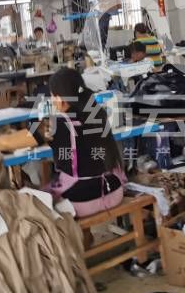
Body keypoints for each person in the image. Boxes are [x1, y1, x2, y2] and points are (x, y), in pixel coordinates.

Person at [40, 67, 124, 217]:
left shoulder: (59, 123)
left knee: (37, 202)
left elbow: (30, 139)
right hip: (114, 192)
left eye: (52, 96)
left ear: (59, 97)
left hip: (80, 203)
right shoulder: (97, 113)